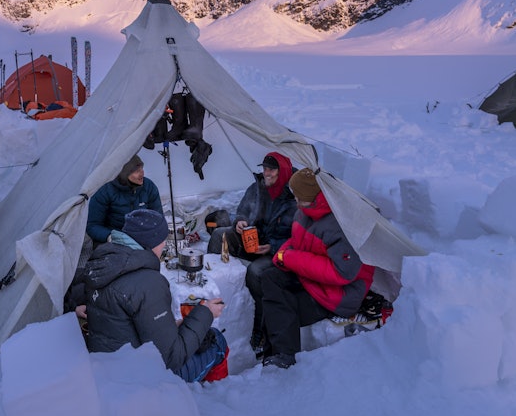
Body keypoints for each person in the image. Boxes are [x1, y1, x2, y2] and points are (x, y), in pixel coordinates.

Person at [83, 208, 229, 382]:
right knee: (217, 340)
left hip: (109, 365)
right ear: (153, 242)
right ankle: (210, 396)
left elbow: (130, 325)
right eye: (163, 240)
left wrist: (173, 325)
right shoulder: (148, 283)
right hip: (140, 380)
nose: (164, 246)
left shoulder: (105, 264)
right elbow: (172, 358)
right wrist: (206, 312)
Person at [258, 167, 375, 369]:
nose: (295, 200)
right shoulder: (305, 212)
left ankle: (284, 355)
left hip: (338, 295)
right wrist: (282, 255)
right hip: (312, 279)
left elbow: (342, 272)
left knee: (284, 304)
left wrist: (291, 258)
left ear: (312, 197)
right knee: (269, 277)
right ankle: (268, 347)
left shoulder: (340, 225)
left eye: (298, 196)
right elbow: (297, 242)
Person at [206, 151, 296, 354]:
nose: (266, 173)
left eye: (271, 169)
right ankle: (213, 290)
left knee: (256, 272)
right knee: (220, 234)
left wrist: (272, 246)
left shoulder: (293, 196)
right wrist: (240, 222)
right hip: (253, 238)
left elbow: (298, 237)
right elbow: (243, 210)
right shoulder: (257, 187)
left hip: (277, 250)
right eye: (264, 168)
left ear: (282, 172)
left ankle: (260, 328)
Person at [85, 154, 163, 245]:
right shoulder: (105, 190)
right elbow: (92, 225)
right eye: (137, 171)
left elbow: (158, 218)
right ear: (124, 173)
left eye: (142, 168)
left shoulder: (149, 187)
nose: (142, 173)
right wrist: (111, 236)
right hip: (112, 242)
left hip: (141, 239)